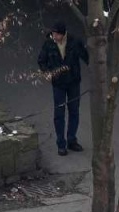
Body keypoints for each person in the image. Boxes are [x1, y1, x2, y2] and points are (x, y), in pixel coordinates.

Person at [38, 20, 88, 155]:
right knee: (59, 114)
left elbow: (86, 56)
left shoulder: (74, 42)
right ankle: (61, 144)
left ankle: (72, 140)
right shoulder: (49, 44)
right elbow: (41, 60)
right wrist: (47, 72)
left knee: (74, 111)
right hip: (58, 84)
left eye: (56, 34)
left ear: (63, 34)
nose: (54, 36)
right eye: (53, 34)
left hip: (73, 82)